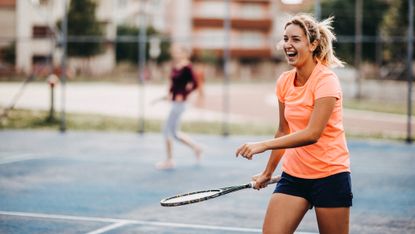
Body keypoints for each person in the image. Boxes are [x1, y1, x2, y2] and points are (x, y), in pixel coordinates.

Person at [235, 14, 352, 234]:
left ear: (313, 44)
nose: (288, 44)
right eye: (286, 39)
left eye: (296, 39)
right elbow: (283, 130)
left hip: (330, 175)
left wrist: (263, 145)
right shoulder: (284, 81)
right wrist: (267, 172)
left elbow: (312, 134)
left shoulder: (326, 80)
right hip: (294, 176)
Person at [155, 43, 202, 170]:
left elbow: (195, 84)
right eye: (175, 51)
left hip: (180, 104)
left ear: (185, 53)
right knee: (174, 133)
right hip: (175, 102)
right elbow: (173, 84)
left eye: (179, 51)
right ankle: (196, 147)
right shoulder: (176, 66)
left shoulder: (188, 67)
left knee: (166, 131)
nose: (176, 53)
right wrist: (169, 94)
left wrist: (183, 95)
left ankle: (170, 160)